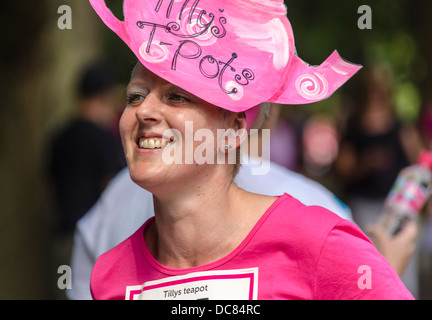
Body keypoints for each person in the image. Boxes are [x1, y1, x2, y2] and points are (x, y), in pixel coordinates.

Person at [88, 0, 413, 299]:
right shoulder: (109, 275)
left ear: (233, 130)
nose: (143, 111)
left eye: (176, 96)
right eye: (135, 96)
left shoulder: (319, 244)